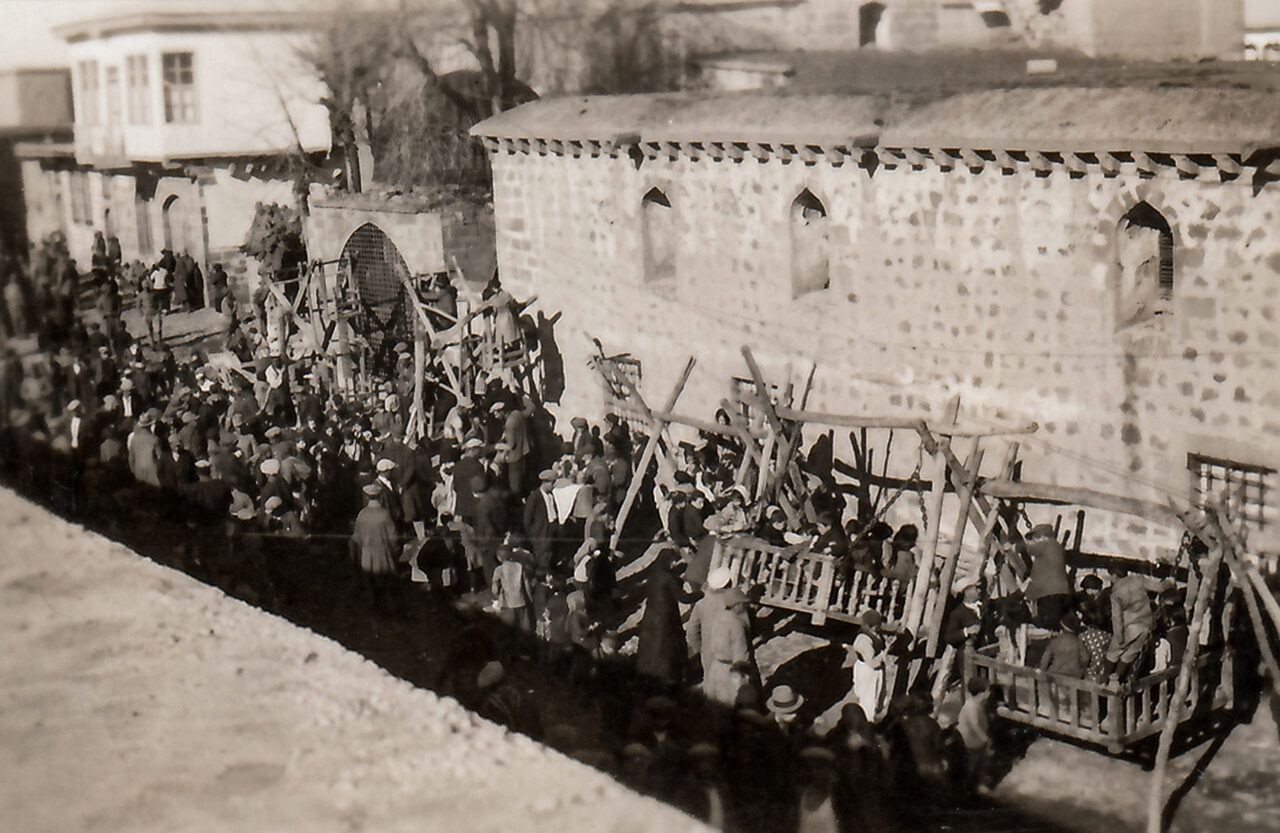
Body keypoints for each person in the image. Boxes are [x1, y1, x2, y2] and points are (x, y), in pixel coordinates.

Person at [635, 547, 692, 690]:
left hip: (650, 617)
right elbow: (682, 597)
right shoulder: (667, 576)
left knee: (651, 649)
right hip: (666, 619)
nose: (674, 564)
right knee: (665, 651)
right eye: (673, 561)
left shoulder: (653, 574)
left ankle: (649, 677)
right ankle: (668, 679)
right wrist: (701, 593)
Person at [351, 482, 399, 613]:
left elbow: (357, 538)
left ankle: (373, 610)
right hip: (384, 555)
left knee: (370, 585)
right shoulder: (385, 515)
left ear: (367, 497)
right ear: (380, 496)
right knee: (385, 584)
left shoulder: (362, 515)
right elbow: (393, 538)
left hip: (367, 555)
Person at [701, 587, 752, 707]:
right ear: (737, 605)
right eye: (743, 604)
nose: (745, 607)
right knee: (730, 707)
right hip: (730, 671)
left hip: (715, 667)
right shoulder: (736, 624)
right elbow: (741, 655)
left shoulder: (719, 617)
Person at [1107, 564, 1154, 683]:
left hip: (1131, 627)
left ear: (1113, 576)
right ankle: (1117, 679)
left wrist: (1119, 637)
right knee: (1129, 655)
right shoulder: (1138, 580)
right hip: (1146, 625)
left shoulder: (1116, 593)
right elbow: (1159, 586)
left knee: (1112, 654)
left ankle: (1104, 681)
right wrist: (1169, 582)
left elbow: (1117, 618)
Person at [1025, 523, 1072, 628]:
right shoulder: (1056, 546)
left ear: (1042, 536)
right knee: (1056, 622)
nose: (1035, 541)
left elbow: (1030, 549)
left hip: (1049, 593)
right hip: (1060, 592)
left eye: (1035, 538)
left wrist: (1014, 546)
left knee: (1048, 624)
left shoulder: (1047, 544)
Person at [848, 610, 888, 723]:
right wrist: (885, 653)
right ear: (872, 626)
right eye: (878, 625)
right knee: (868, 699)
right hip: (867, 670)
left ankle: (873, 719)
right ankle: (866, 724)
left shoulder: (875, 634)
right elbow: (872, 663)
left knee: (878, 695)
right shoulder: (863, 641)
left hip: (875, 670)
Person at [956, 678, 994, 793]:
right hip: (971, 743)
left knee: (981, 765)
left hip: (976, 742)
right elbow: (975, 725)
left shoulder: (977, 704)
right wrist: (985, 739)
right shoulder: (971, 707)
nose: (989, 693)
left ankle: (978, 786)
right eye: (987, 691)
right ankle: (965, 789)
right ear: (980, 693)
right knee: (971, 766)